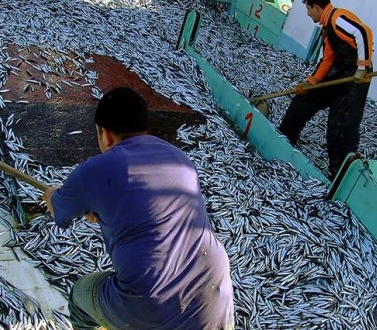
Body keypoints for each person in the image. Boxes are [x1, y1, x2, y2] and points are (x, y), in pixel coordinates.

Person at [43, 87, 235, 330]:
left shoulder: (94, 170)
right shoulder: (180, 158)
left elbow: (59, 211)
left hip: (151, 306)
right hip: (215, 297)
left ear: (105, 134)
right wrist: (103, 210)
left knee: (81, 296)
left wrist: (50, 193)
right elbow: (153, 209)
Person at [278, 0, 373, 180]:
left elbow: (364, 33)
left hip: (355, 80)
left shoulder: (338, 19)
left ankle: (340, 175)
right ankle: (285, 137)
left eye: (307, 8)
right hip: (337, 73)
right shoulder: (327, 28)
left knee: (341, 127)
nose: (307, 13)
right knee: (304, 99)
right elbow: (328, 59)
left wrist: (362, 67)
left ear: (316, 7)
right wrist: (311, 82)